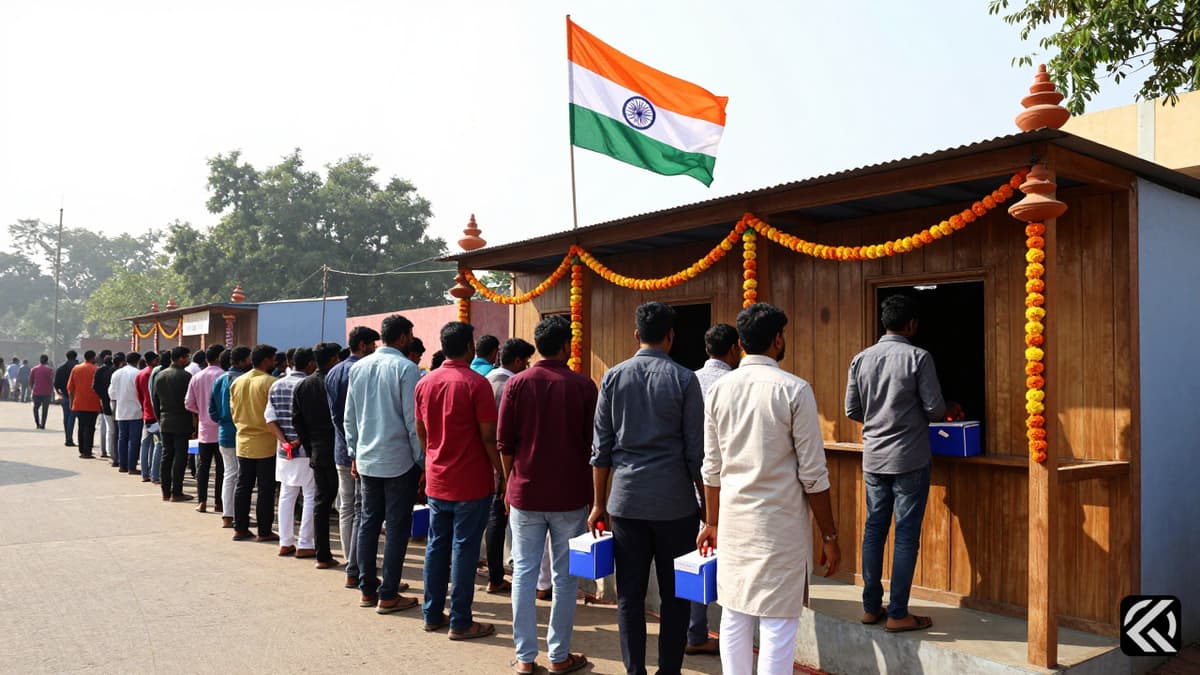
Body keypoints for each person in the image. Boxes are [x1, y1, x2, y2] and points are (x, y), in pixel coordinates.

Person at [697, 304, 840, 675]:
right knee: (777, 623)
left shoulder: (719, 390)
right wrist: (829, 533)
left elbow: (711, 469)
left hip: (732, 522)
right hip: (780, 526)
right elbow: (813, 475)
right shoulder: (794, 390)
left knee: (734, 615)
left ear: (741, 343)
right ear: (778, 339)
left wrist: (711, 523)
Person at [590, 302, 704, 675]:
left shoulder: (612, 377)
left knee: (629, 595)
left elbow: (600, 449)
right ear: (671, 336)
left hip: (626, 501)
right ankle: (669, 670)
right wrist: (705, 505)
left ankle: (634, 670)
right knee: (676, 596)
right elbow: (695, 452)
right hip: (675, 504)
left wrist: (597, 503)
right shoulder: (686, 380)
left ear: (636, 335)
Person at [845, 294, 957, 633]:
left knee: (874, 530)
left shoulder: (860, 359)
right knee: (906, 536)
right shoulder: (918, 358)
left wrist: (880, 418)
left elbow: (852, 410)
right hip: (909, 457)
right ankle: (898, 613)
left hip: (874, 458)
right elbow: (936, 409)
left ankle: (869, 607)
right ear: (911, 325)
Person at [499, 317, 596, 674]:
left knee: (524, 573)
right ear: (567, 345)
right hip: (569, 495)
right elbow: (593, 445)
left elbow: (504, 443)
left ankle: (525, 658)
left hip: (525, 492)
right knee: (564, 577)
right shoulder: (584, 386)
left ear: (538, 346)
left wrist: (510, 483)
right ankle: (559, 656)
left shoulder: (518, 384)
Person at [414, 321, 501, 640]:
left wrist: (432, 456)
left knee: (437, 547)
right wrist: (501, 473)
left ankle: (432, 613)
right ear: (469, 347)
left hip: (439, 478)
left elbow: (420, 430)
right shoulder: (476, 384)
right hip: (471, 480)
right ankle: (461, 621)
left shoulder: (426, 382)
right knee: (463, 551)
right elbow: (489, 437)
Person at [345, 315, 423, 614]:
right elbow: (412, 421)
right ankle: (387, 592)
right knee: (396, 527)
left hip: (367, 458)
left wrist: (354, 451)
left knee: (369, 523)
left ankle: (368, 589)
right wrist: (422, 460)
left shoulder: (359, 367)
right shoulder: (406, 369)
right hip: (399, 459)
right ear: (403, 338)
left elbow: (349, 417)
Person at [682, 323, 741, 657]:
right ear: (734, 348)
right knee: (731, 560)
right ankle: (710, 631)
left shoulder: (689, 380)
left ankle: (694, 630)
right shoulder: (734, 384)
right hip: (728, 486)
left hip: (692, 485)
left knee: (696, 558)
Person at [327, 325, 379, 590]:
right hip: (358, 450)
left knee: (348, 507)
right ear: (362, 345)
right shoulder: (362, 371)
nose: (374, 349)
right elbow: (354, 417)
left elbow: (337, 417)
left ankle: (351, 562)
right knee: (360, 510)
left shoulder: (334, 371)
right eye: (372, 344)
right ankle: (356, 566)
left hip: (342, 448)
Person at [482, 337, 535, 595]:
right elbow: (506, 436)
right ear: (516, 361)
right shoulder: (513, 385)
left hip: (483, 462)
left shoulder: (487, 381)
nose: (526, 367)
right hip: (504, 465)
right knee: (500, 519)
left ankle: (495, 573)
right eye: (525, 362)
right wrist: (506, 474)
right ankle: (496, 576)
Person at [293, 342, 342, 570]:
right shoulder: (334, 383)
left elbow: (297, 420)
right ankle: (349, 557)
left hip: (317, 449)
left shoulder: (304, 386)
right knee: (347, 504)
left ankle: (322, 554)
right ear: (333, 359)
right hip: (337, 449)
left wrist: (309, 445)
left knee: (321, 501)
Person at [266, 347, 317, 558]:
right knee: (310, 496)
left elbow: (270, 419)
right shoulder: (308, 385)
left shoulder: (276, 385)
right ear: (310, 364)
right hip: (305, 450)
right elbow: (311, 420)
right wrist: (299, 440)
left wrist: (285, 441)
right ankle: (305, 543)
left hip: (284, 450)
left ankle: (285, 541)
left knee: (287, 495)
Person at [230, 344, 280, 542]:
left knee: (243, 485)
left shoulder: (237, 381)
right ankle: (264, 530)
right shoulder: (271, 382)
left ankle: (240, 527)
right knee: (265, 489)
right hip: (266, 441)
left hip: (243, 439)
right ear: (266, 360)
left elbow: (233, 411)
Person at [211, 346, 251, 528]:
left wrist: (221, 420)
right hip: (241, 432)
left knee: (230, 474)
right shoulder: (242, 380)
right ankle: (237, 514)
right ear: (242, 361)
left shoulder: (219, 380)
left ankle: (228, 514)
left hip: (224, 432)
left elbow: (212, 409)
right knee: (241, 476)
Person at [185, 344, 226, 513]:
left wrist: (201, 412)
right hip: (222, 429)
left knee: (203, 466)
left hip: (204, 428)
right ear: (219, 357)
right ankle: (219, 502)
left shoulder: (197, 377)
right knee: (221, 468)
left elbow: (188, 403)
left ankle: (202, 501)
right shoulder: (224, 376)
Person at [153, 346, 194, 502]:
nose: (188, 360)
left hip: (165, 420)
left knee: (166, 455)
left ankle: (165, 491)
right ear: (181, 358)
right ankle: (176, 491)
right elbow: (190, 402)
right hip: (182, 420)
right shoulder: (185, 376)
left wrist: (159, 417)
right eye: (187, 357)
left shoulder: (160, 375)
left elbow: (155, 400)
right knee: (180, 457)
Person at [109, 351, 143, 474]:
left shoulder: (116, 373)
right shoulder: (137, 373)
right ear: (137, 361)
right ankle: (131, 466)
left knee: (122, 438)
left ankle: (122, 464)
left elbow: (111, 394)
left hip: (121, 410)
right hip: (135, 410)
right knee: (134, 440)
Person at [67, 350, 102, 459]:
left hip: (79, 403)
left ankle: (82, 450)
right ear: (93, 358)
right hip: (93, 403)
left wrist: (71, 402)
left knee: (81, 426)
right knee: (90, 428)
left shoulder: (76, 369)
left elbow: (70, 387)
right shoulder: (96, 370)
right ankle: (87, 451)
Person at [136, 351, 163, 483]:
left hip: (146, 411)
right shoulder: (156, 373)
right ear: (154, 360)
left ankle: (145, 473)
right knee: (159, 444)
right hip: (156, 413)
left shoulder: (140, 374)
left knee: (146, 444)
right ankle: (155, 474)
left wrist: (143, 406)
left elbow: (139, 395)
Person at [93, 350, 116, 461]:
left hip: (104, 401)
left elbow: (95, 386)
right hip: (114, 401)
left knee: (105, 428)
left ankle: (104, 450)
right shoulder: (115, 371)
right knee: (113, 429)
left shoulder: (99, 370)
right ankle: (111, 451)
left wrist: (101, 396)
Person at [54, 350, 79, 447]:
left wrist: (59, 392)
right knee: (73, 417)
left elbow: (56, 384)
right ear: (75, 356)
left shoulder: (61, 368)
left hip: (65, 394)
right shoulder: (78, 368)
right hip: (76, 395)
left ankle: (68, 437)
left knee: (66, 417)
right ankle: (70, 438)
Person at [30, 355, 54, 429]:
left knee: (35, 408)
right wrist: (52, 393)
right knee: (45, 409)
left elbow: (31, 381)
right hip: (47, 392)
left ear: (39, 360)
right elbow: (51, 382)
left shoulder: (34, 369)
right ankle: (43, 424)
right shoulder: (50, 370)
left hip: (36, 392)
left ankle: (37, 423)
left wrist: (32, 390)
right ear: (47, 361)